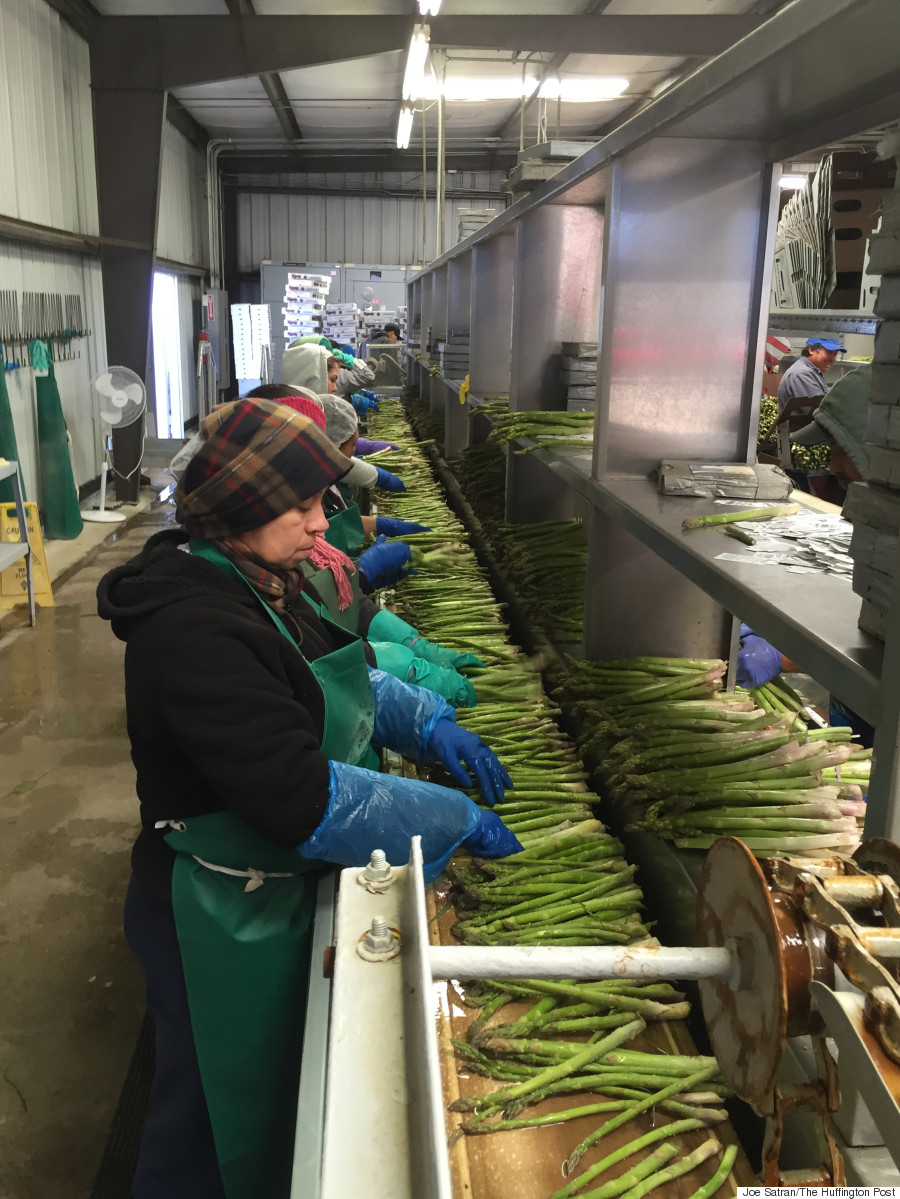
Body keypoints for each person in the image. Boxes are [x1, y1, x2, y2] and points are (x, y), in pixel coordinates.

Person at [96, 398, 519, 1199]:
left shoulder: (263, 578)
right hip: (213, 911)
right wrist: (444, 816)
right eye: (303, 505)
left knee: (255, 1101)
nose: (325, 523)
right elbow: (298, 797)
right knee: (203, 1120)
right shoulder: (193, 626)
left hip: (265, 889)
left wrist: (427, 721)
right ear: (247, 509)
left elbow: (340, 660)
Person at [739, 364, 873, 744]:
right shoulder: (881, 529)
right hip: (858, 719)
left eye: (839, 449)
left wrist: (785, 657)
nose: (832, 465)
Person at [770, 337, 846, 467]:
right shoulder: (802, 374)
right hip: (801, 451)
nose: (833, 359)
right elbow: (821, 411)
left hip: (805, 444)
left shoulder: (812, 371)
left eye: (835, 354)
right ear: (811, 350)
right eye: (829, 352)